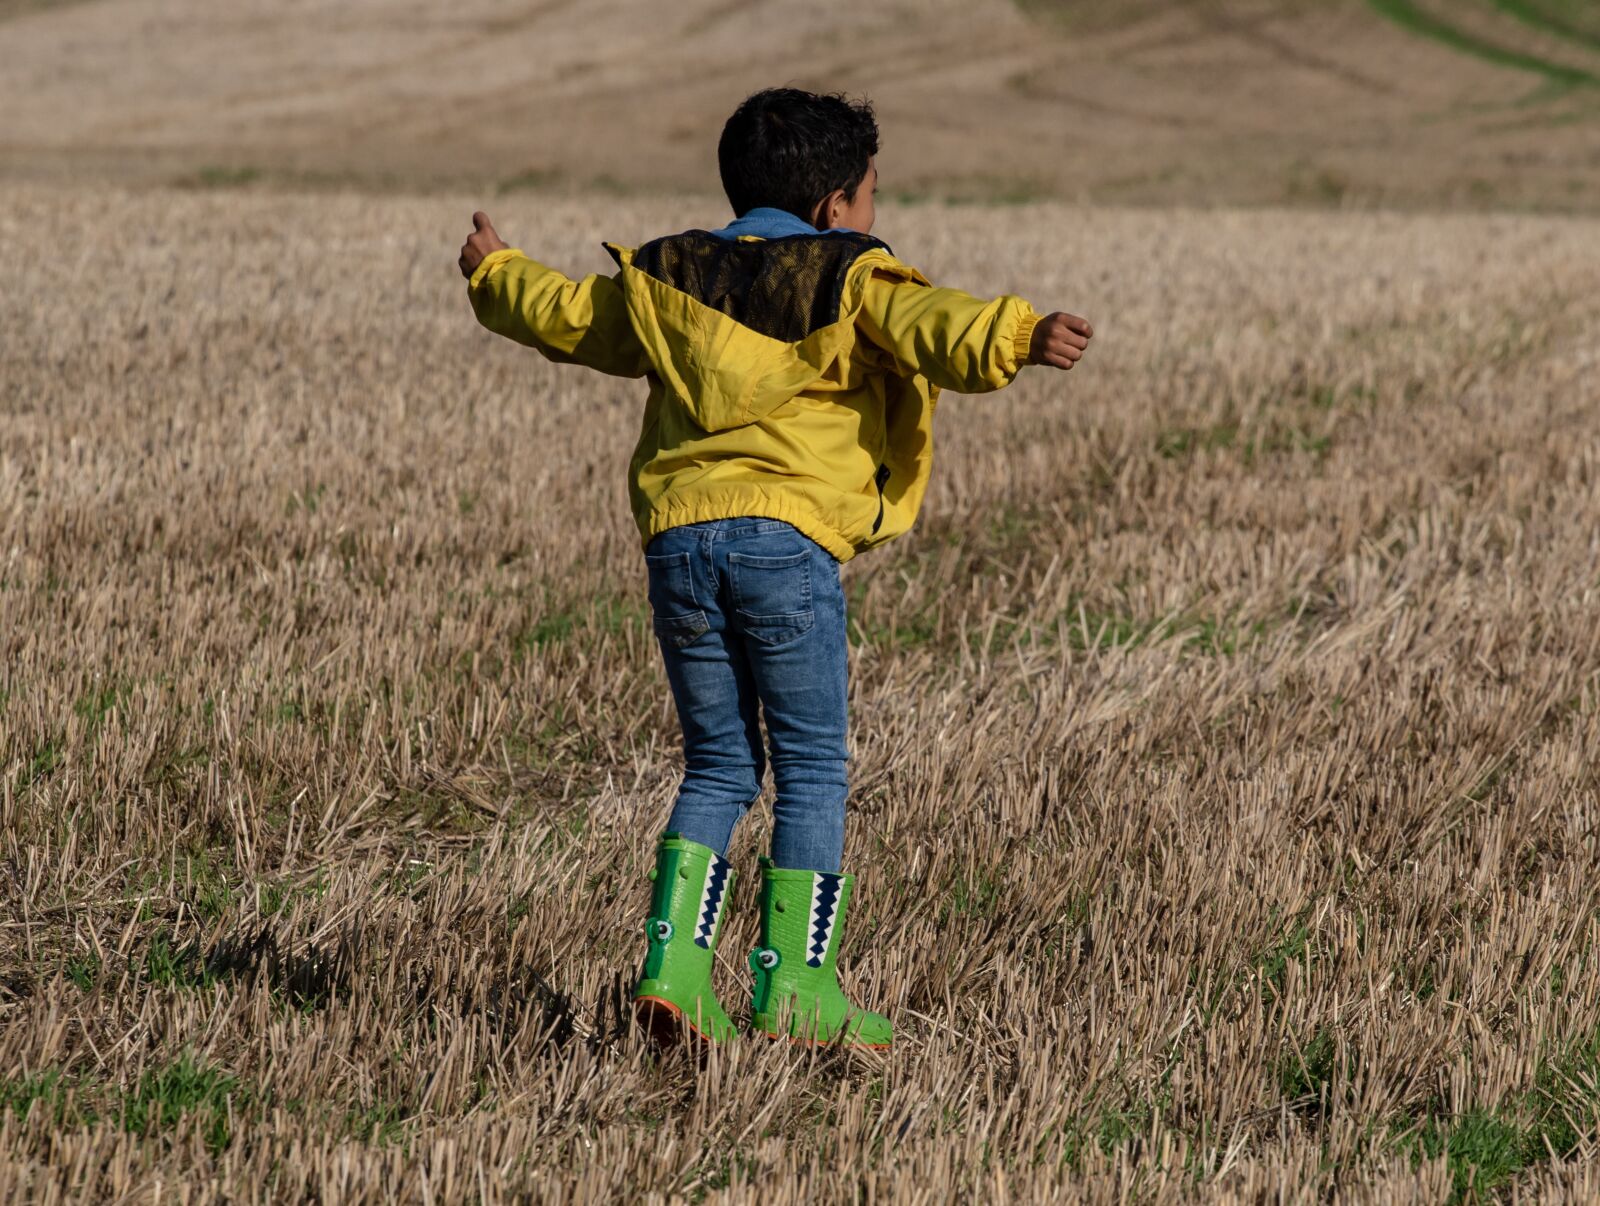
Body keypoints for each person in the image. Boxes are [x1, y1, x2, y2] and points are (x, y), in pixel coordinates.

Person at [458, 87, 1092, 1049]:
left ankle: (674, 971)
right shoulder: (851, 277)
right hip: (785, 543)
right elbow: (935, 325)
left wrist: (497, 272)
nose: (874, 212)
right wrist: (1020, 336)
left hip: (680, 546)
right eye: (872, 193)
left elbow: (571, 316)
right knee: (809, 773)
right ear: (837, 203)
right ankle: (796, 988)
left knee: (716, 766)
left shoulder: (669, 277)